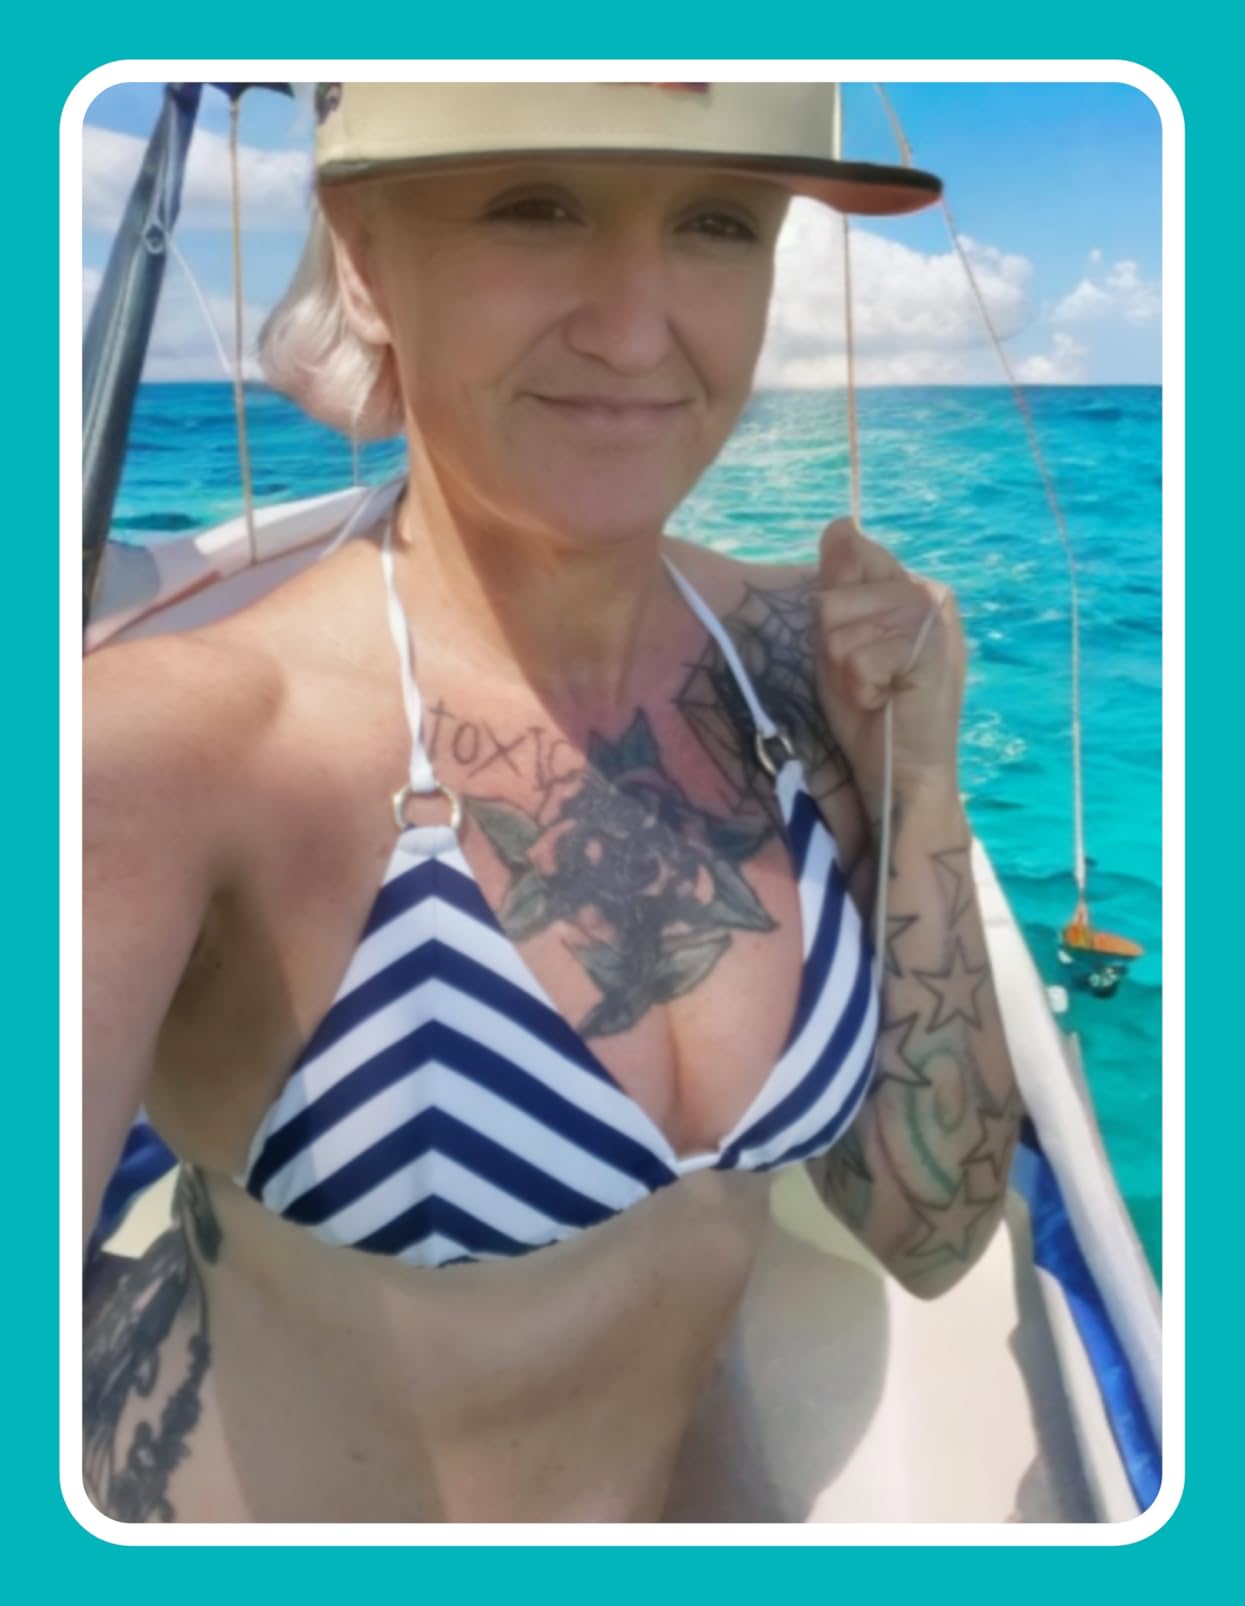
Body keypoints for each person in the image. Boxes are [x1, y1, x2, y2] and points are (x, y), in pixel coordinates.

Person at [82, 81, 1022, 1524]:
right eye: (536, 207)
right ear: (366, 260)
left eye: (717, 224)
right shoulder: (179, 751)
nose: (637, 332)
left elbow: (931, 1229)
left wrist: (923, 786)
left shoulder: (809, 663)